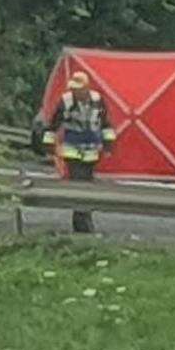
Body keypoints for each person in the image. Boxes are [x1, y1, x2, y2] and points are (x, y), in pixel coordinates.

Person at [40, 71, 115, 233]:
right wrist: (48, 146)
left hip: (92, 152)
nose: (76, 92)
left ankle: (83, 219)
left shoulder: (97, 101)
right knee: (78, 184)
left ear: (86, 88)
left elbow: (106, 124)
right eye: (73, 89)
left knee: (87, 185)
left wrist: (109, 144)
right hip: (72, 151)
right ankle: (82, 224)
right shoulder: (65, 102)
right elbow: (53, 125)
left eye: (78, 89)